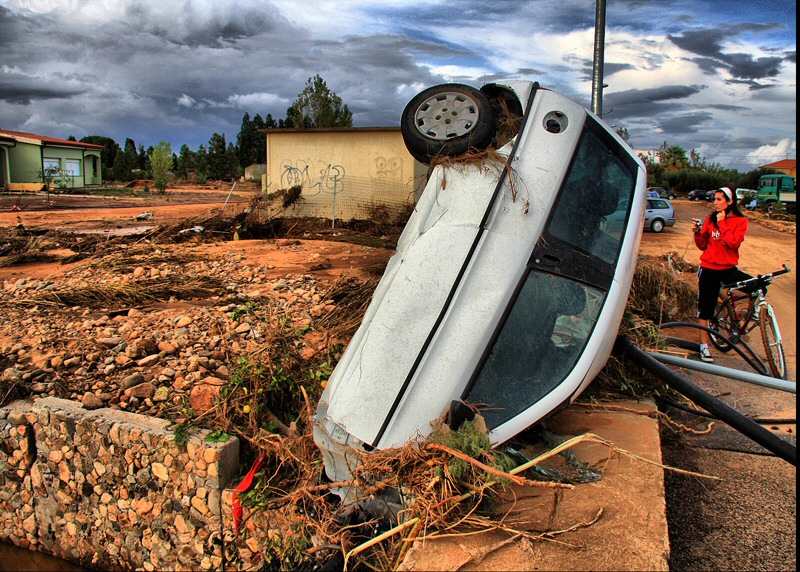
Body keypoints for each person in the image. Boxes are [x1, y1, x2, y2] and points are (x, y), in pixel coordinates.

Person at [692, 186, 751, 362]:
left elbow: (732, 243)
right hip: (709, 268)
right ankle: (704, 346)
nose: (715, 203)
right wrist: (696, 232)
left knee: (759, 286)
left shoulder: (741, 221)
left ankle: (745, 317)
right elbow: (703, 245)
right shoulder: (711, 219)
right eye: (715, 199)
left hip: (728, 269)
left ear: (730, 201)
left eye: (719, 199)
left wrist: (723, 222)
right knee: (705, 309)